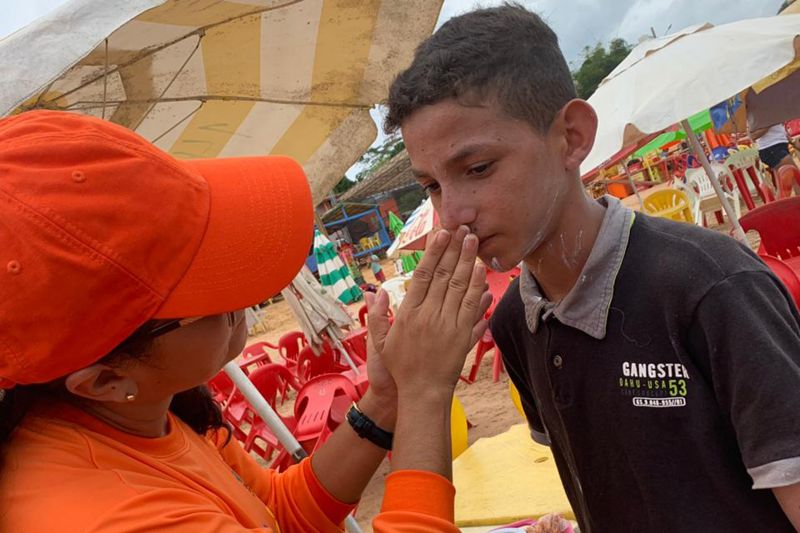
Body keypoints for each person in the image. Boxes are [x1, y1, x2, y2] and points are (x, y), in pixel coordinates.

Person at [385, 4, 800, 532]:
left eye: (478, 168)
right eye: (433, 185)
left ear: (573, 137)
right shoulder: (517, 320)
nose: (452, 214)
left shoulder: (710, 288)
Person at [0, 110, 490, 532]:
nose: (244, 295)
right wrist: (426, 393)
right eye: (207, 286)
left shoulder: (139, 415)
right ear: (105, 379)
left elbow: (277, 512)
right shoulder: (105, 515)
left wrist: (387, 400)